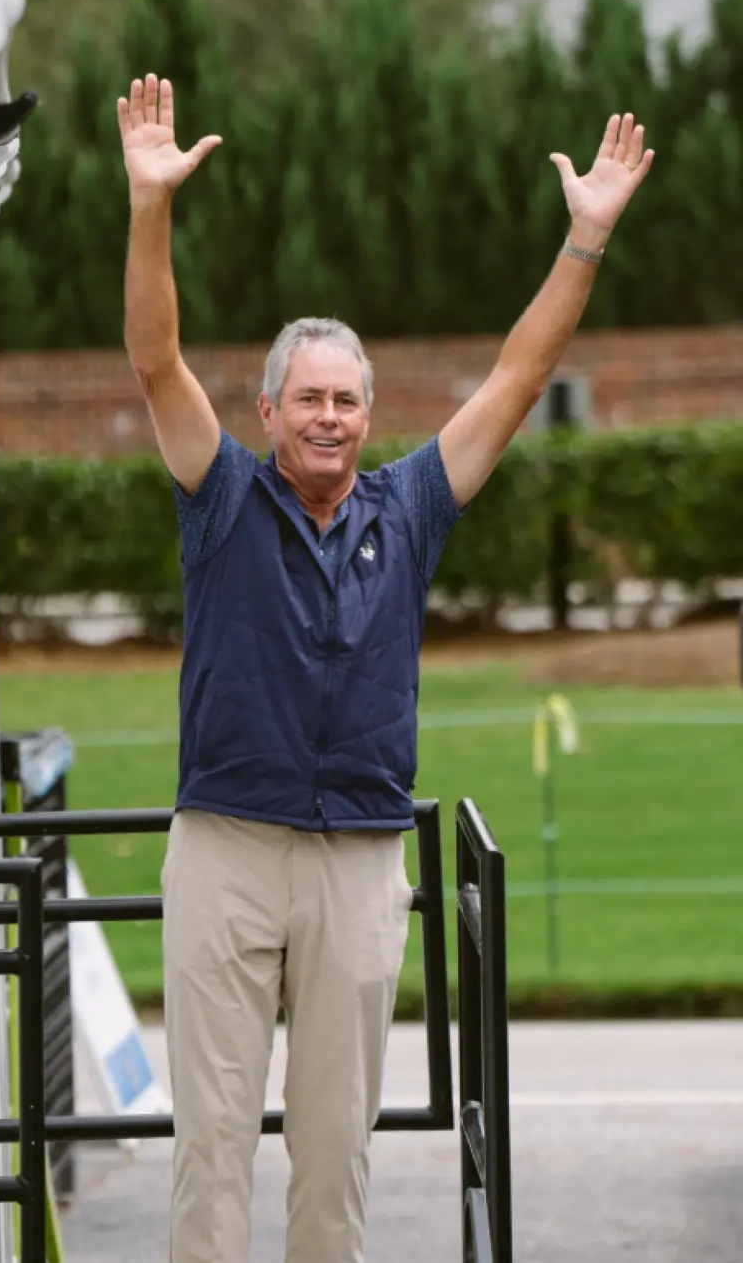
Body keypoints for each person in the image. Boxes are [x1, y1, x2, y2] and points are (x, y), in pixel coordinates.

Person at [117, 72, 653, 1263]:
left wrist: (583, 239)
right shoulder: (221, 495)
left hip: (359, 860)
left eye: (346, 401)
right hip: (226, 845)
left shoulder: (408, 507)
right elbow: (155, 364)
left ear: (368, 413)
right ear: (267, 411)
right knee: (211, 1146)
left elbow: (514, 380)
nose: (327, 416)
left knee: (334, 1155)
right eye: (306, 398)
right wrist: (150, 206)